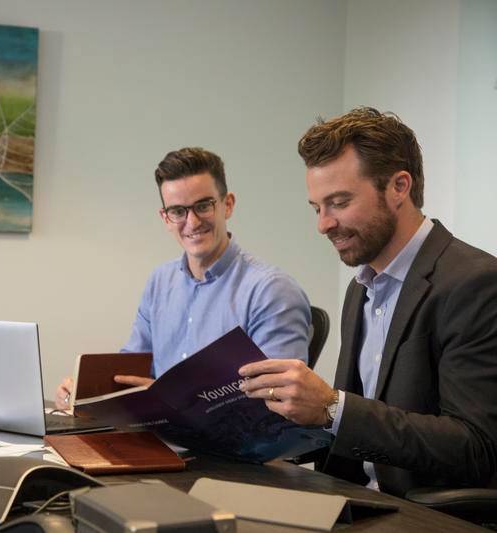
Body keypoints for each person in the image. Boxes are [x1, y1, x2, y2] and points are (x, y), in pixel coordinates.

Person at [239, 107, 497, 497]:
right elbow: (355, 428)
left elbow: (475, 447)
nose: (323, 224)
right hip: (356, 499)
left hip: (428, 514)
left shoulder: (475, 282)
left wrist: (331, 407)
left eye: (339, 202)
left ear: (399, 187)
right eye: (317, 208)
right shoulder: (361, 287)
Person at [55, 147, 311, 409]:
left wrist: (168, 395)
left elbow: (277, 405)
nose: (192, 222)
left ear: (228, 204)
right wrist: (84, 389)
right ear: (165, 217)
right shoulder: (160, 282)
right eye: (178, 211)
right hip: (160, 440)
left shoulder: (272, 291)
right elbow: (130, 371)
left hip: (232, 448)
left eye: (203, 206)